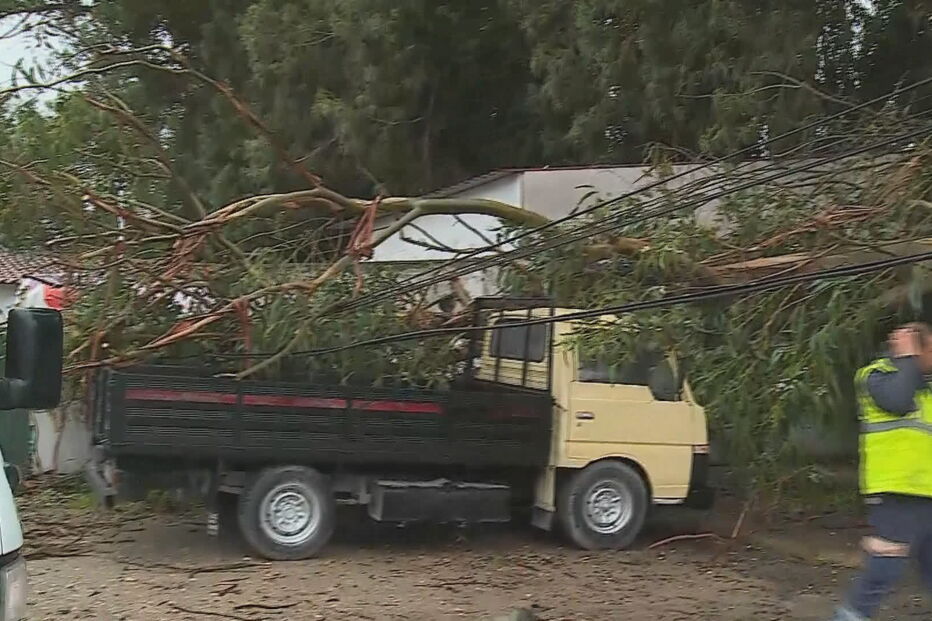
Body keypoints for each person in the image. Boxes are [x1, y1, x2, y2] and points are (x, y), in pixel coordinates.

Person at [832, 323, 932, 620]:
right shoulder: (876, 376)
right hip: (896, 492)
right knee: (883, 572)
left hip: (926, 495)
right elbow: (897, 401)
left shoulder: (925, 389)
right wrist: (909, 358)